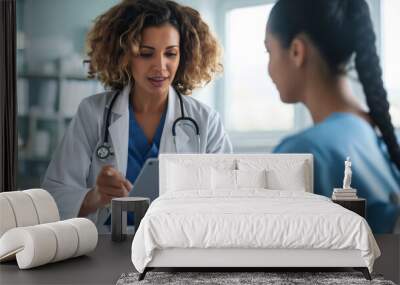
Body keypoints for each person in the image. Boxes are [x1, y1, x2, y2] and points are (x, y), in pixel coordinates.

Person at [42, 0, 232, 231]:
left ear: (185, 56)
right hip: (104, 247)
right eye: (146, 54)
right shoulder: (92, 113)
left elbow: (226, 200)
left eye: (170, 54)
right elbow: (53, 198)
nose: (160, 66)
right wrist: (96, 196)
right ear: (125, 56)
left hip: (176, 245)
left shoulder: (205, 121)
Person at [265, 0, 400, 233]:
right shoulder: (385, 137)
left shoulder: (299, 155)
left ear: (297, 51)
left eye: (269, 51)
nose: (269, 68)